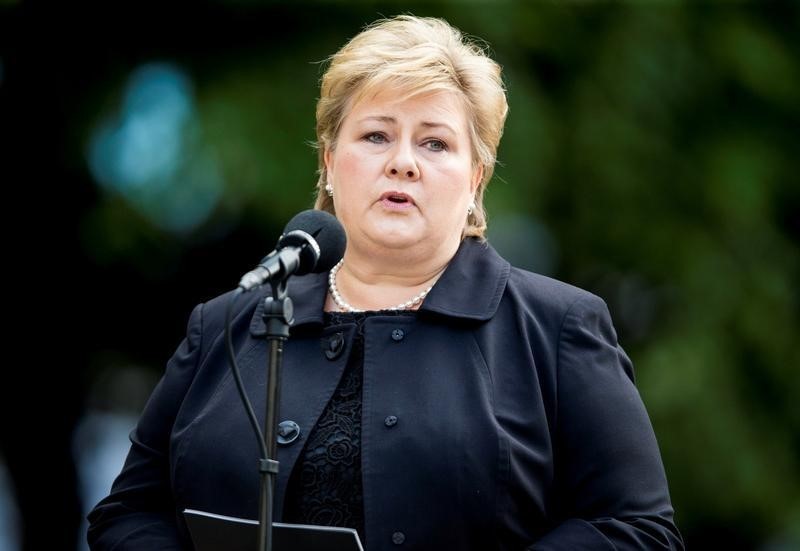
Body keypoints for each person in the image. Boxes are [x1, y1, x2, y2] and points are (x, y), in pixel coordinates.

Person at [87, 15, 684, 550]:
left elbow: (636, 529)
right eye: (376, 135)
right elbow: (129, 513)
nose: (403, 162)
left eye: (435, 142)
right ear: (328, 159)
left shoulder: (556, 327)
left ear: (475, 179)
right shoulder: (227, 324)